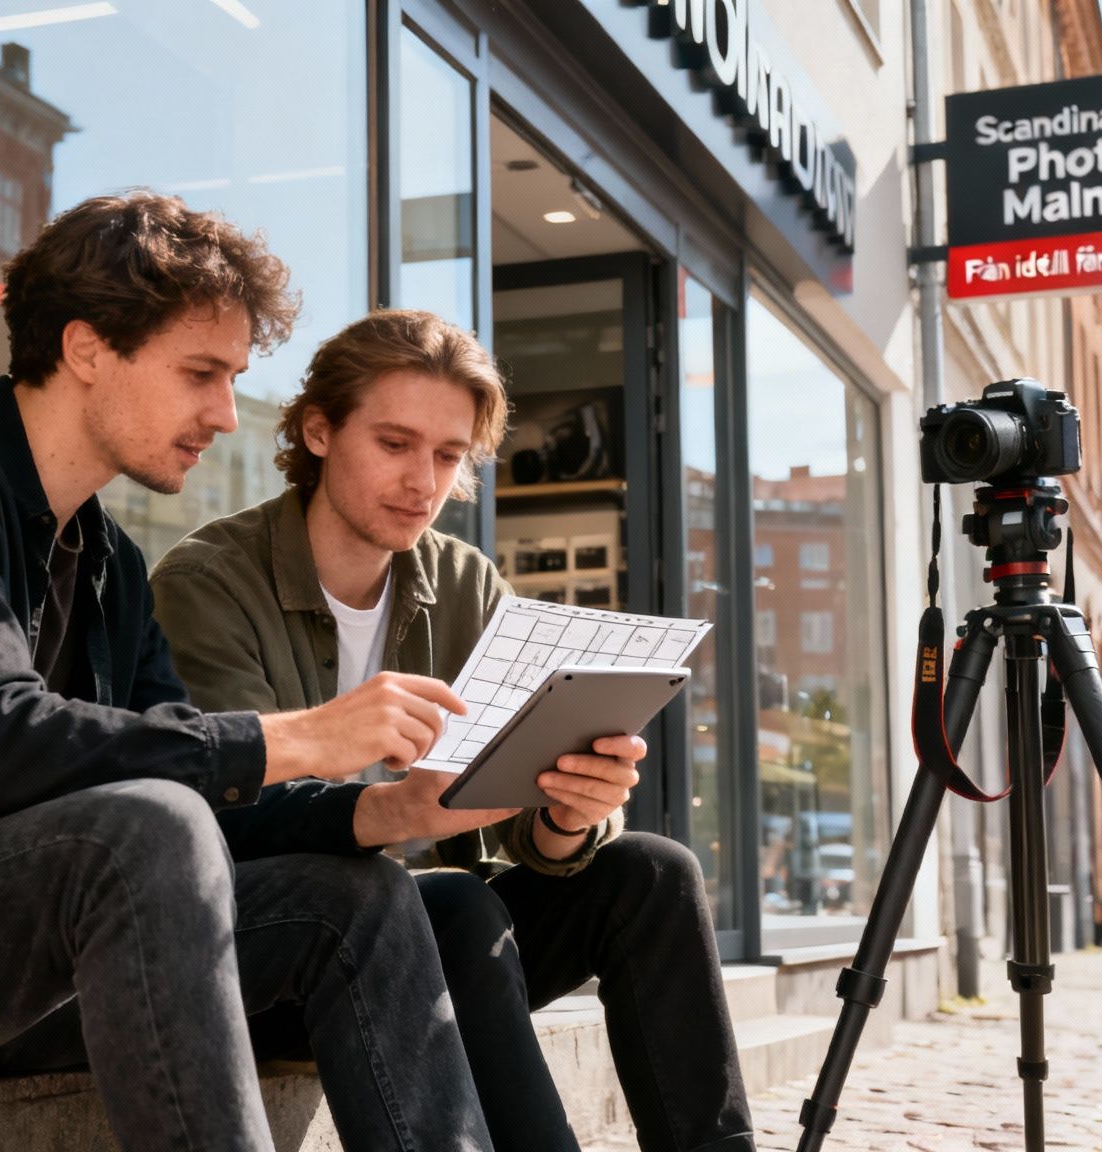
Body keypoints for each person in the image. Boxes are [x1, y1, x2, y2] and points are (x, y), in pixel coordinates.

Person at [0, 194, 492, 1152]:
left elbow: (206, 794)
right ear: (86, 347)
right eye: (201, 374)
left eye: (233, 378)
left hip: (6, 958)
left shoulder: (110, 562)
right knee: (142, 825)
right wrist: (295, 735)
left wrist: (387, 812)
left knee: (359, 897)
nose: (224, 414)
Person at [151, 309, 757, 1152]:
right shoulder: (209, 581)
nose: (423, 482)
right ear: (319, 431)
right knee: (453, 902)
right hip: (285, 955)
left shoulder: (461, 578)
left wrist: (567, 813)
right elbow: (231, 805)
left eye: (447, 455)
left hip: (447, 946)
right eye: (396, 444)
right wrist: (401, 810)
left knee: (651, 871)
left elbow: (515, 799)